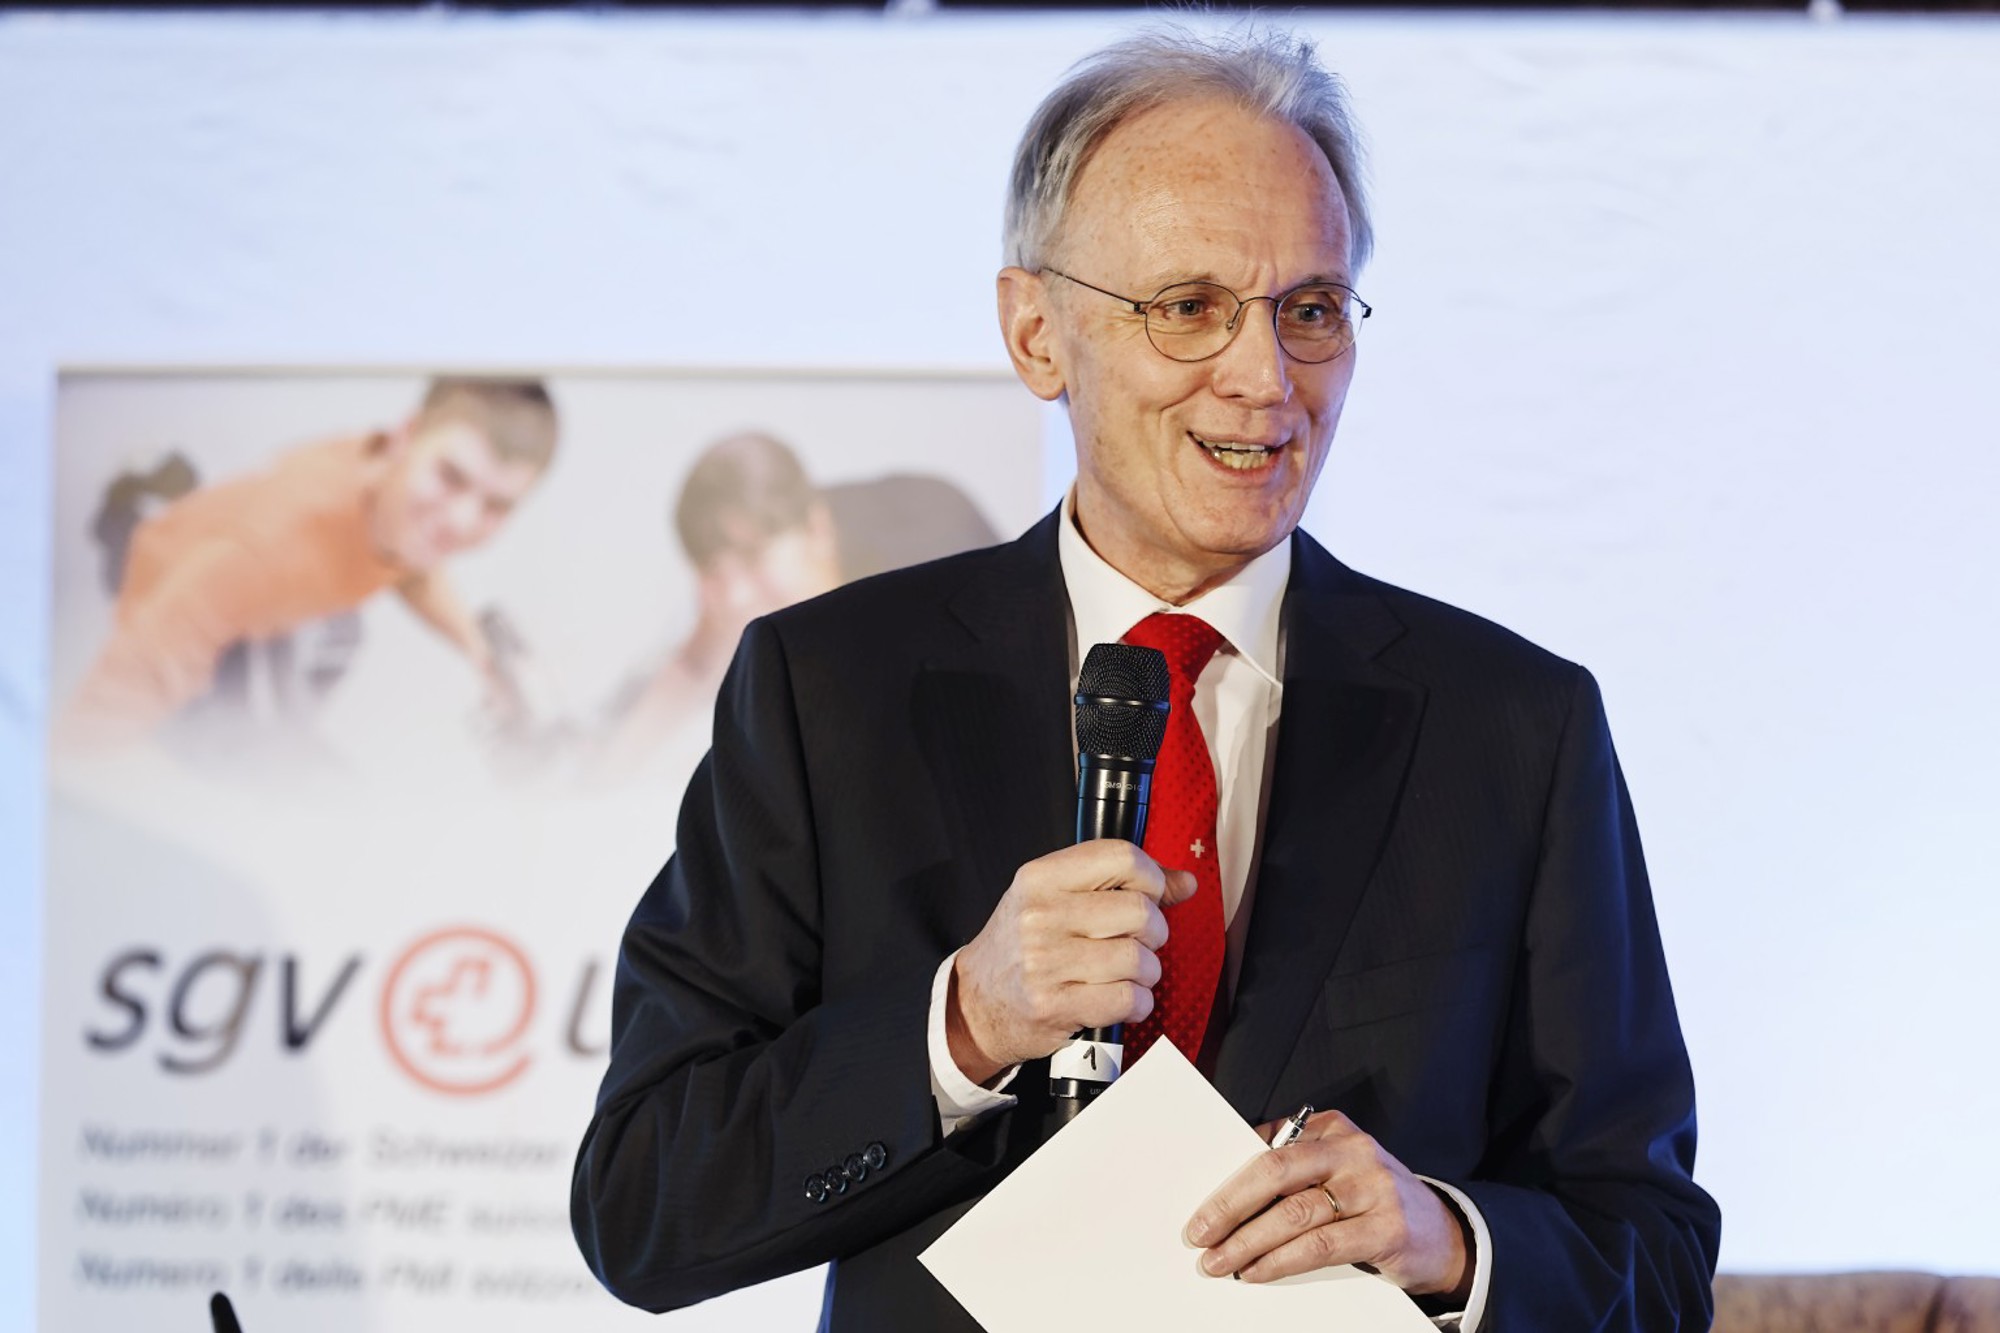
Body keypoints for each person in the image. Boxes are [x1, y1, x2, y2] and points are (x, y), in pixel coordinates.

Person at [573, 26, 1719, 1331]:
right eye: (1188, 308)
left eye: (1310, 310)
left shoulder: (1513, 726)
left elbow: (1654, 1252)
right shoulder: (831, 689)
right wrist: (963, 1025)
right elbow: (643, 1206)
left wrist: (1448, 1239)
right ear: (1036, 333)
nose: (1264, 379)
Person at [57, 376, 558, 755]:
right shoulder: (266, 549)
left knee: (337, 637)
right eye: (451, 477)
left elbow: (409, 566)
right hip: (188, 609)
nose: (460, 520)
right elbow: (110, 705)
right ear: (405, 436)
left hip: (241, 583)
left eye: (497, 505)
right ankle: (135, 509)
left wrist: (476, 649)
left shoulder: (396, 499)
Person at [585, 430, 998, 783]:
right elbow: (612, 767)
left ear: (817, 529)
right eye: (712, 570)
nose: (736, 596)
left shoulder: (928, 550)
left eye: (751, 557)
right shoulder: (726, 597)